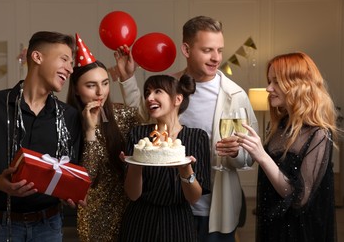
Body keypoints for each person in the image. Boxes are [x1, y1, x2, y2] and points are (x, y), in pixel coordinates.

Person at [115, 15, 258, 241]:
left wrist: (237, 153)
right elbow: (142, 120)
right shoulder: (170, 88)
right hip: (168, 209)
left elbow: (251, 155)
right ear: (186, 49)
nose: (216, 58)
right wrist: (127, 78)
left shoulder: (235, 96)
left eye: (219, 50)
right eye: (208, 50)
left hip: (213, 210)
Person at [0, 31, 83, 242]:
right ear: (37, 57)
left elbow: (70, 170)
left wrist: (71, 191)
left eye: (72, 62)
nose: (70, 68)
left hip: (49, 227)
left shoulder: (69, 116)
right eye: (64, 59)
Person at [236, 52, 338, 241]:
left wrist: (263, 156)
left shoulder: (319, 135)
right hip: (273, 225)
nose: (268, 88)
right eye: (269, 81)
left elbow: (299, 199)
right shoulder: (279, 126)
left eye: (276, 82)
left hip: (299, 233)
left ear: (297, 85)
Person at [66, 34, 141, 241]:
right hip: (94, 218)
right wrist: (90, 133)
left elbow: (148, 122)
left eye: (105, 83)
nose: (101, 92)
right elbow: (84, 181)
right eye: (91, 85)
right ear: (77, 90)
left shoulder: (123, 115)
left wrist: (128, 77)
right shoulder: (68, 123)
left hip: (130, 212)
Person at [118, 74, 211, 242]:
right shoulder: (138, 135)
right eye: (147, 93)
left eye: (157, 91)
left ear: (177, 99)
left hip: (178, 222)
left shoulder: (197, 137)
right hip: (140, 221)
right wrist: (135, 164)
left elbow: (194, 198)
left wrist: (185, 170)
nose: (149, 98)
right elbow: (132, 194)